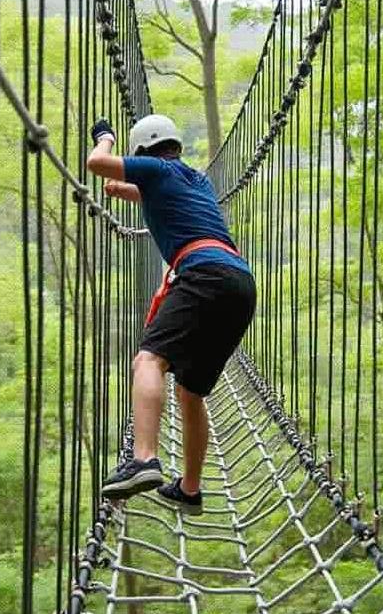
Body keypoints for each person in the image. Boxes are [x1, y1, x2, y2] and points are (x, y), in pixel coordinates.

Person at [86, 114, 256, 514]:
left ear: (142, 149)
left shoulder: (153, 168)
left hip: (202, 275)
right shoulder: (196, 179)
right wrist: (122, 189)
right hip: (240, 284)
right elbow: (142, 193)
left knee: (148, 360)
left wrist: (105, 139)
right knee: (190, 393)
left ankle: (144, 459)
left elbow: (96, 164)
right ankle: (190, 489)